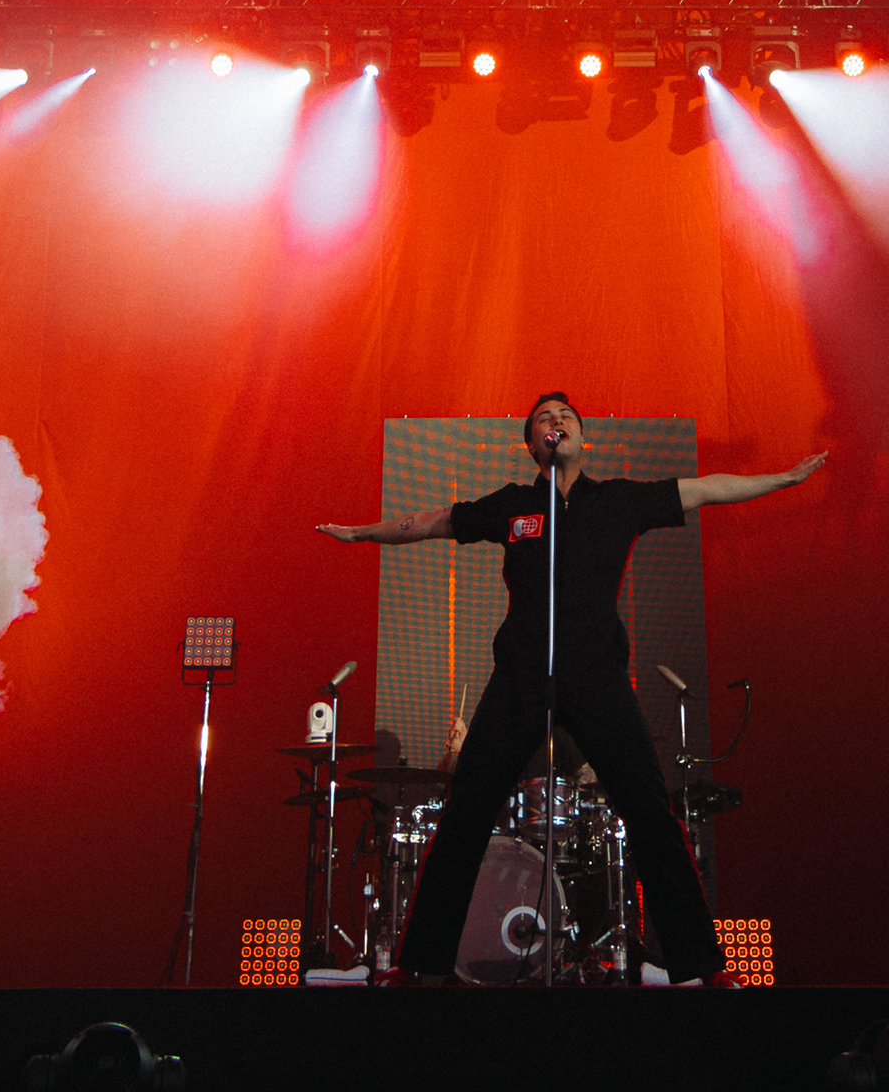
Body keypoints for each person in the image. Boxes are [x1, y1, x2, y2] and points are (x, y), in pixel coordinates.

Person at [319, 393, 822, 984]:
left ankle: (701, 967)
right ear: (532, 445)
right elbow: (434, 521)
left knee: (649, 811)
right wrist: (364, 534)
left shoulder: (618, 501)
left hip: (598, 677)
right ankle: (417, 966)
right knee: (465, 814)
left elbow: (705, 489)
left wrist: (782, 480)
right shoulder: (513, 505)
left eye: (565, 416)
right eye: (543, 419)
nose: (555, 422)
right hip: (521, 678)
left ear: (583, 437)